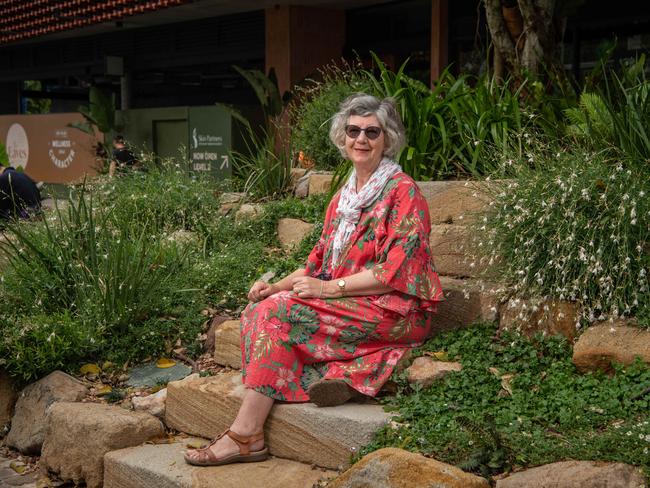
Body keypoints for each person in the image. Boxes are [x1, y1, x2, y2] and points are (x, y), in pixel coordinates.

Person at [184, 93, 443, 467]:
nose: (362, 139)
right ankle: (257, 426)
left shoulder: (405, 193)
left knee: (279, 316)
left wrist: (326, 289)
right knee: (264, 307)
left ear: (387, 139)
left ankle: (245, 435)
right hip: (350, 302)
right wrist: (275, 287)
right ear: (342, 137)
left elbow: (395, 274)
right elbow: (316, 265)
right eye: (353, 130)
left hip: (394, 310)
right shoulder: (343, 198)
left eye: (372, 131)